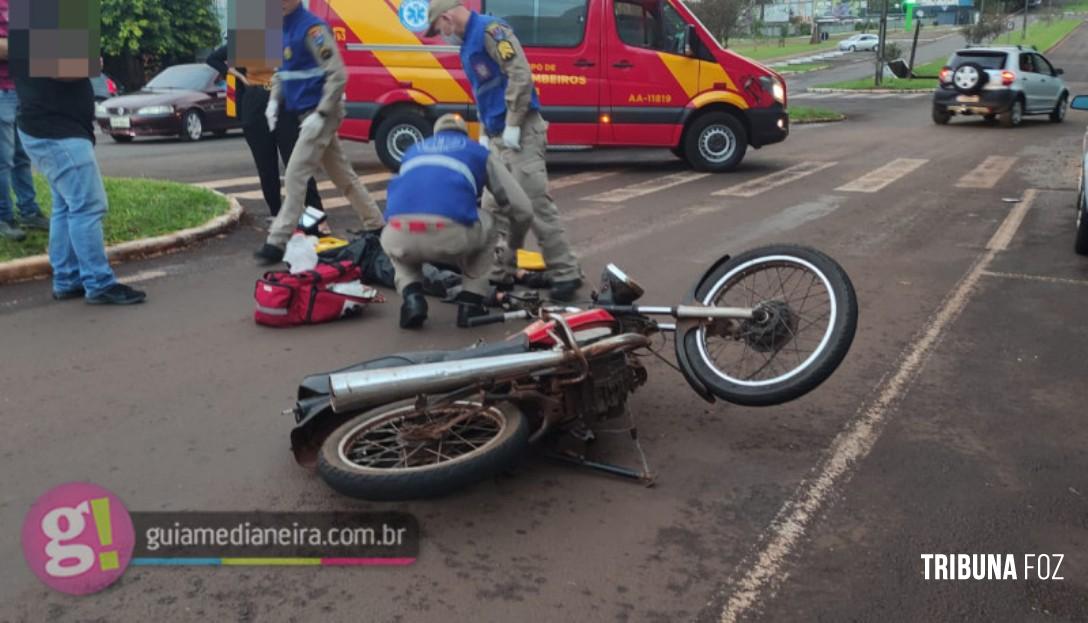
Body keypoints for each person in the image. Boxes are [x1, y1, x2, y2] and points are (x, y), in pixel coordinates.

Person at [426, 0, 584, 302]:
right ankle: (500, 272)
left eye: (439, 29)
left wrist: (512, 122)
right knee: (494, 209)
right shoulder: (467, 46)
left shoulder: (491, 30)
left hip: (522, 130)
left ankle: (566, 273)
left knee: (534, 204)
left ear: (447, 17)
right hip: (498, 136)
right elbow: (484, 94)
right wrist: (485, 134)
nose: (442, 35)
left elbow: (520, 75)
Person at [255, 0, 384, 265]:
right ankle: (377, 225)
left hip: (322, 112)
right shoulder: (279, 29)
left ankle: (276, 243)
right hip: (305, 113)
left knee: (295, 173)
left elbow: (337, 75)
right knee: (342, 174)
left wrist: (322, 113)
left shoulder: (312, 28)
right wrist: (273, 102)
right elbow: (282, 74)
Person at [382, 113, 532, 329]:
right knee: (489, 221)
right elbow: (522, 209)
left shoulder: (412, 151)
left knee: (398, 240)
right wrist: (514, 247)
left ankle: (412, 297)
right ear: (464, 133)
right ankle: (471, 303)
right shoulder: (477, 152)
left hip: (399, 233)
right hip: (449, 234)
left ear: (435, 134)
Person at [14, 70, 146, 304]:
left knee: (66, 205)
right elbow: (68, 70)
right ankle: (99, 283)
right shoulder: (40, 32)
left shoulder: (25, 34)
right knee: (88, 206)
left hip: (50, 127)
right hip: (57, 130)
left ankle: (67, 280)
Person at [206, 44, 324, 222]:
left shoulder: (285, 37)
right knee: (265, 164)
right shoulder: (246, 39)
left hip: (284, 103)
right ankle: (276, 212)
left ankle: (315, 212)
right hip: (254, 102)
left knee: (296, 160)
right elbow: (213, 58)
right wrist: (234, 73)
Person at [0, 0, 46, 241]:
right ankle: (4, 217)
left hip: (22, 87)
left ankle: (28, 211)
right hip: (2, 90)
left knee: (22, 155)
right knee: (2, 159)